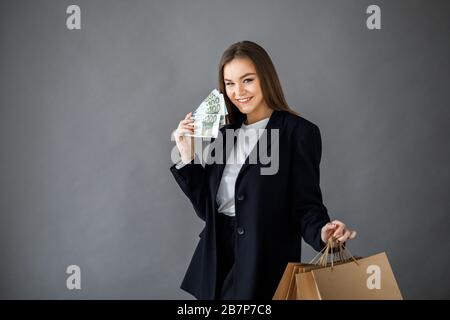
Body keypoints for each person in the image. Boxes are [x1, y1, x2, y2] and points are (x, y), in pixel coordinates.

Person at [170, 40, 357, 300]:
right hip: (216, 261)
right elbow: (208, 210)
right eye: (230, 83)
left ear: (266, 79)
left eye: (247, 80)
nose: (238, 91)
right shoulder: (225, 134)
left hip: (264, 263)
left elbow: (305, 205)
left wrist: (323, 232)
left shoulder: (299, 133)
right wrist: (187, 156)